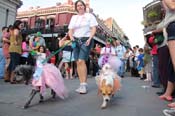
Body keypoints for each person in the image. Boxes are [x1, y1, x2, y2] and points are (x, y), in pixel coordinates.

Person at [68, 0, 98, 94]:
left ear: (84, 6)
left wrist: (90, 38)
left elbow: (93, 28)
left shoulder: (90, 16)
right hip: (75, 40)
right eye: (78, 5)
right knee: (77, 62)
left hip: (86, 40)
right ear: (76, 7)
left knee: (81, 61)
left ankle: (84, 85)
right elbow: (70, 30)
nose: (80, 7)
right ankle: (81, 84)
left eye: (81, 5)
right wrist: (71, 37)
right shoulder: (74, 17)